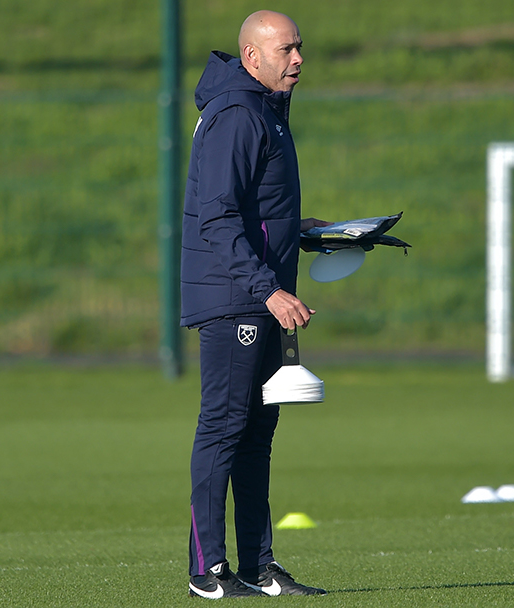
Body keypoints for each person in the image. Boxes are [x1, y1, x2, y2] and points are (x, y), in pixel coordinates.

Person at [179, 10, 329, 599]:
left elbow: (251, 207)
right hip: (236, 297)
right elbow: (216, 216)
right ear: (252, 57)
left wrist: (305, 230)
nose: (298, 59)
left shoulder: (265, 109)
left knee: (255, 433)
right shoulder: (240, 112)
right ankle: (207, 570)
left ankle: (259, 566)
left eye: (300, 47)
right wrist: (267, 288)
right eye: (287, 49)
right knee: (223, 428)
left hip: (257, 293)